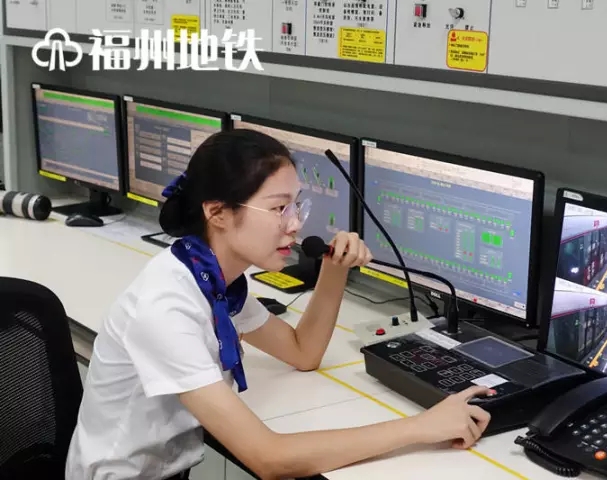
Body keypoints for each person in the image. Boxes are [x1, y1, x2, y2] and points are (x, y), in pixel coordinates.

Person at [65, 129, 493, 480]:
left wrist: (335, 268)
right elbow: (269, 458)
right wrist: (420, 427)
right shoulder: (166, 308)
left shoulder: (215, 281)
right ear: (218, 213)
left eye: (296, 206)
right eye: (278, 208)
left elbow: (302, 352)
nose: (294, 225)